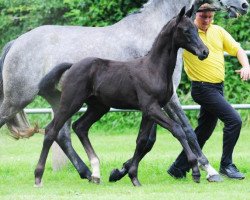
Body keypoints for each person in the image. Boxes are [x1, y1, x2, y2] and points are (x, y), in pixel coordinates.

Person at [167, 3, 250, 180]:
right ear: (195, 15)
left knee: (203, 131)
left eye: (210, 17)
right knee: (234, 120)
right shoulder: (188, 32)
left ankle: (178, 168)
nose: (206, 20)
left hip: (217, 88)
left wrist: (246, 65)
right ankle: (227, 165)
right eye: (203, 17)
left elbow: (237, 49)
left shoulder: (218, 31)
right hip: (202, 87)